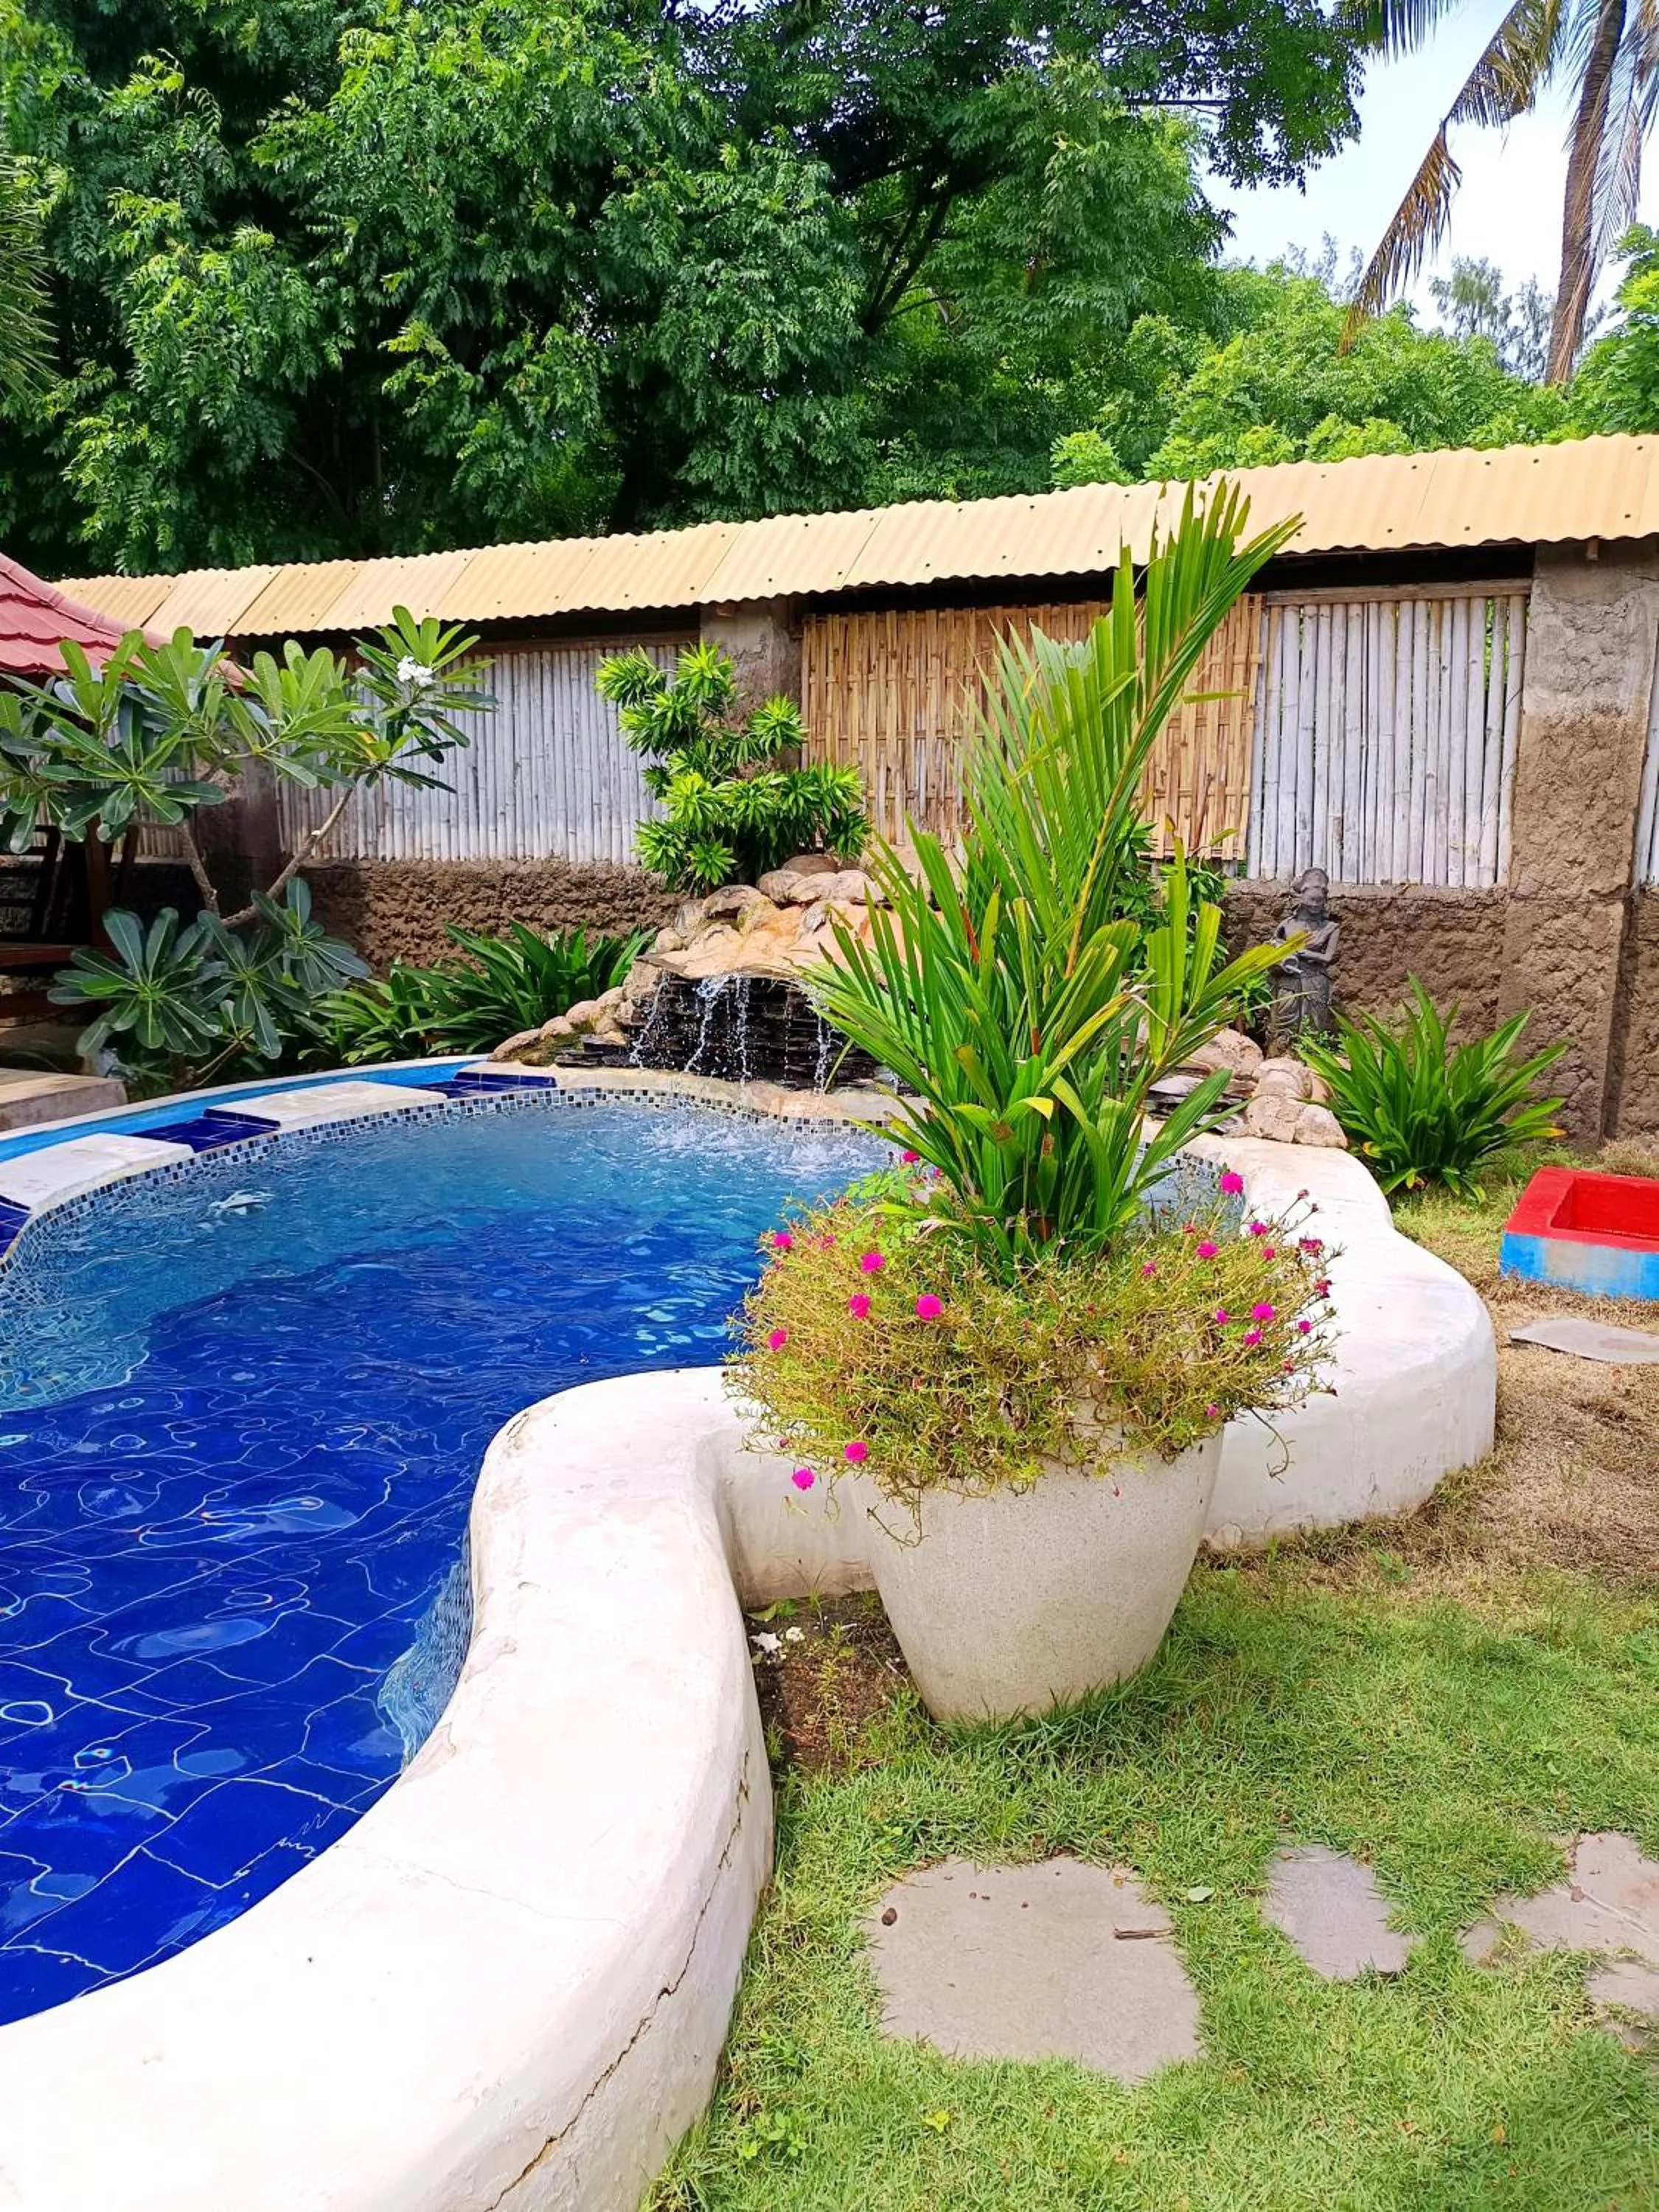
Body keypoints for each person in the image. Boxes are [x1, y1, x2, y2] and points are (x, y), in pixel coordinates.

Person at [1270, 868, 1338, 1043]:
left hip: (1315, 980)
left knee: (1314, 1025)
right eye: (1311, 900)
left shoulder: (1330, 927)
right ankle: (1281, 1057)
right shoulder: (1287, 925)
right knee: (1283, 1022)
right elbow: (1271, 949)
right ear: (1301, 898)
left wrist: (1308, 953)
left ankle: (1311, 1060)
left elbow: (1328, 958)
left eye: (1319, 901)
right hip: (1288, 979)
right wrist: (1281, 958)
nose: (1315, 905)